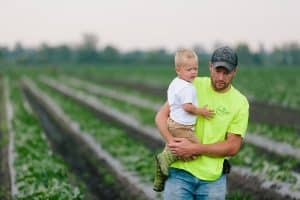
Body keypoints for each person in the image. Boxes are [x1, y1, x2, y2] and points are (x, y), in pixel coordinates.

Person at [155, 46, 249, 200]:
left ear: (235, 71)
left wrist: (193, 148)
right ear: (210, 66)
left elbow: (232, 147)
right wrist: (172, 143)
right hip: (179, 174)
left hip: (213, 179)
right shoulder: (192, 84)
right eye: (217, 71)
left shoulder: (240, 102)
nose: (221, 78)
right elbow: (161, 116)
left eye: (227, 73)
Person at [153, 48, 215, 192]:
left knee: (173, 146)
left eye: (195, 68)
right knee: (196, 149)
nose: (193, 72)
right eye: (189, 69)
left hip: (172, 123)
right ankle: (165, 159)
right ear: (178, 70)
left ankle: (159, 177)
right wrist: (201, 111)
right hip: (183, 127)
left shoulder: (175, 83)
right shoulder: (188, 88)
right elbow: (187, 107)